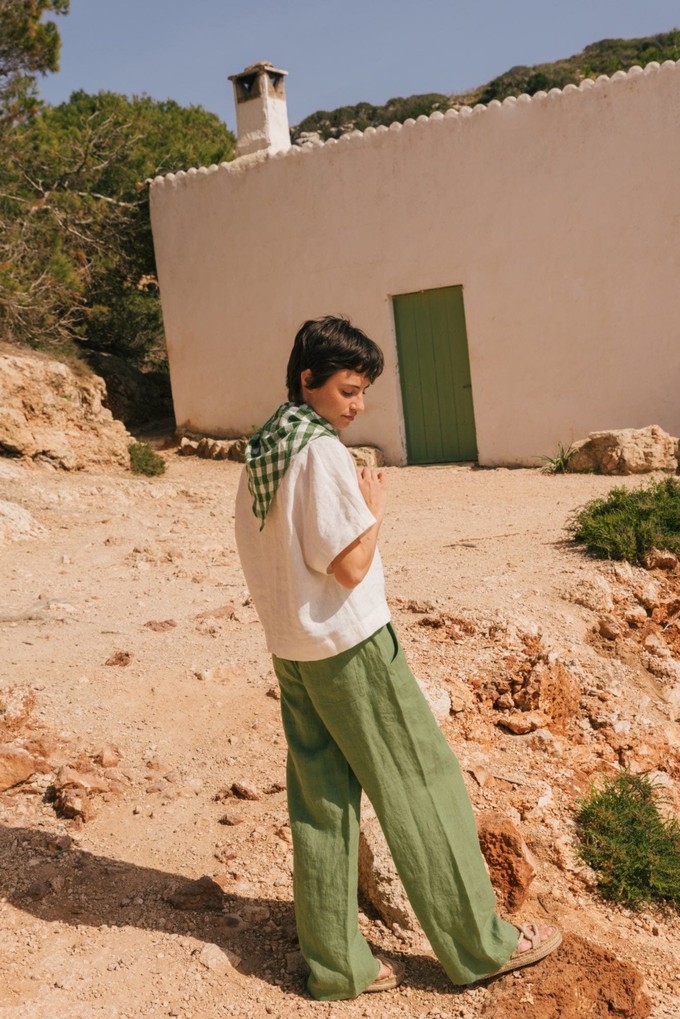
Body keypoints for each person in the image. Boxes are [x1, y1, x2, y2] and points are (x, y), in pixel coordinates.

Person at [234, 316, 561, 1001]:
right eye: (348, 390)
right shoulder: (319, 455)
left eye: (364, 393)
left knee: (322, 803)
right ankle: (481, 944)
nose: (357, 406)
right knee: (424, 783)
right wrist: (373, 506)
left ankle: (337, 965)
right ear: (308, 380)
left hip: (295, 653)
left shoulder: (266, 447)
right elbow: (349, 565)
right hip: (351, 649)